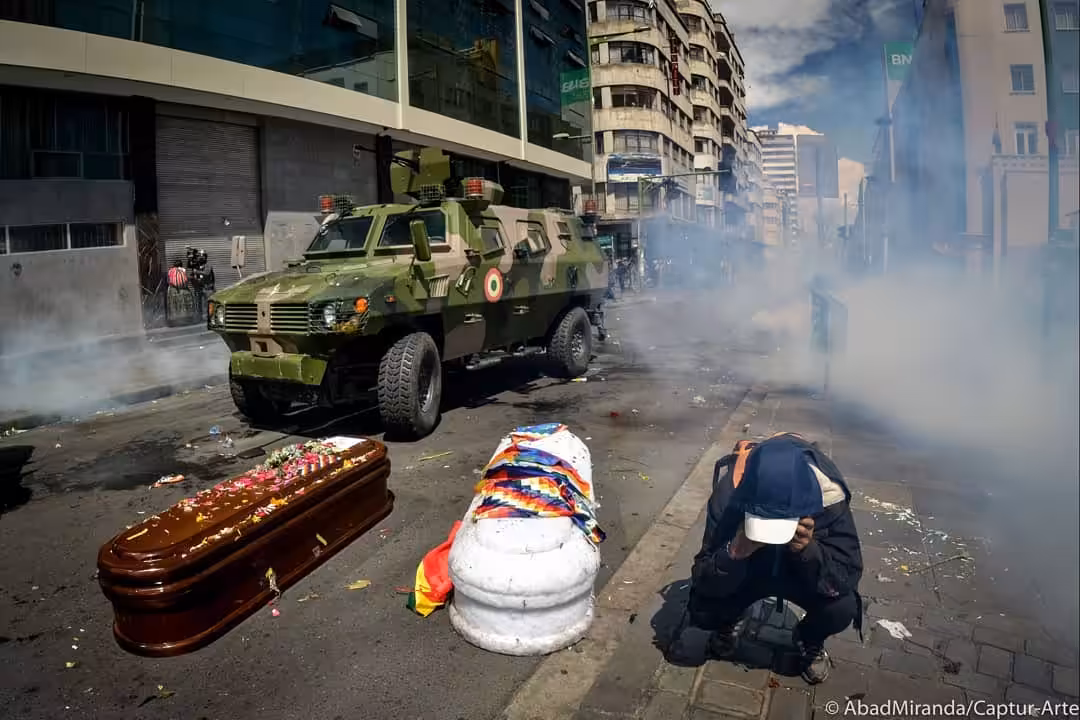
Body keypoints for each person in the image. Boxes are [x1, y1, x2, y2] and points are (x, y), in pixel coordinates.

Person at [687, 433, 863, 684]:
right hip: (750, 571)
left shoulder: (830, 500)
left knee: (842, 607)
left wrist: (809, 551)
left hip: (801, 575)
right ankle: (729, 621)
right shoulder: (729, 495)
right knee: (702, 607)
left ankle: (809, 639)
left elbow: (847, 574)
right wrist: (734, 552)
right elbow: (702, 575)